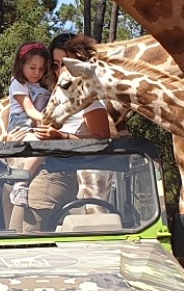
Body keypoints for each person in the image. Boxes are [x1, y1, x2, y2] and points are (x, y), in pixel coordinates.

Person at [9, 34, 114, 233]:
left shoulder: (88, 99)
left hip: (56, 175)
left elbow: (102, 140)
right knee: (13, 234)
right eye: (55, 64)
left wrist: (61, 138)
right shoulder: (53, 96)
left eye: (64, 64)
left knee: (28, 239)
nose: (59, 70)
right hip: (31, 174)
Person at [7, 42, 52, 131]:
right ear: (21, 65)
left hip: (39, 124)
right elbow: (30, 110)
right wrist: (49, 120)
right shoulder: (18, 84)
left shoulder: (43, 86)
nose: (37, 73)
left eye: (42, 69)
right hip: (21, 124)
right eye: (32, 68)